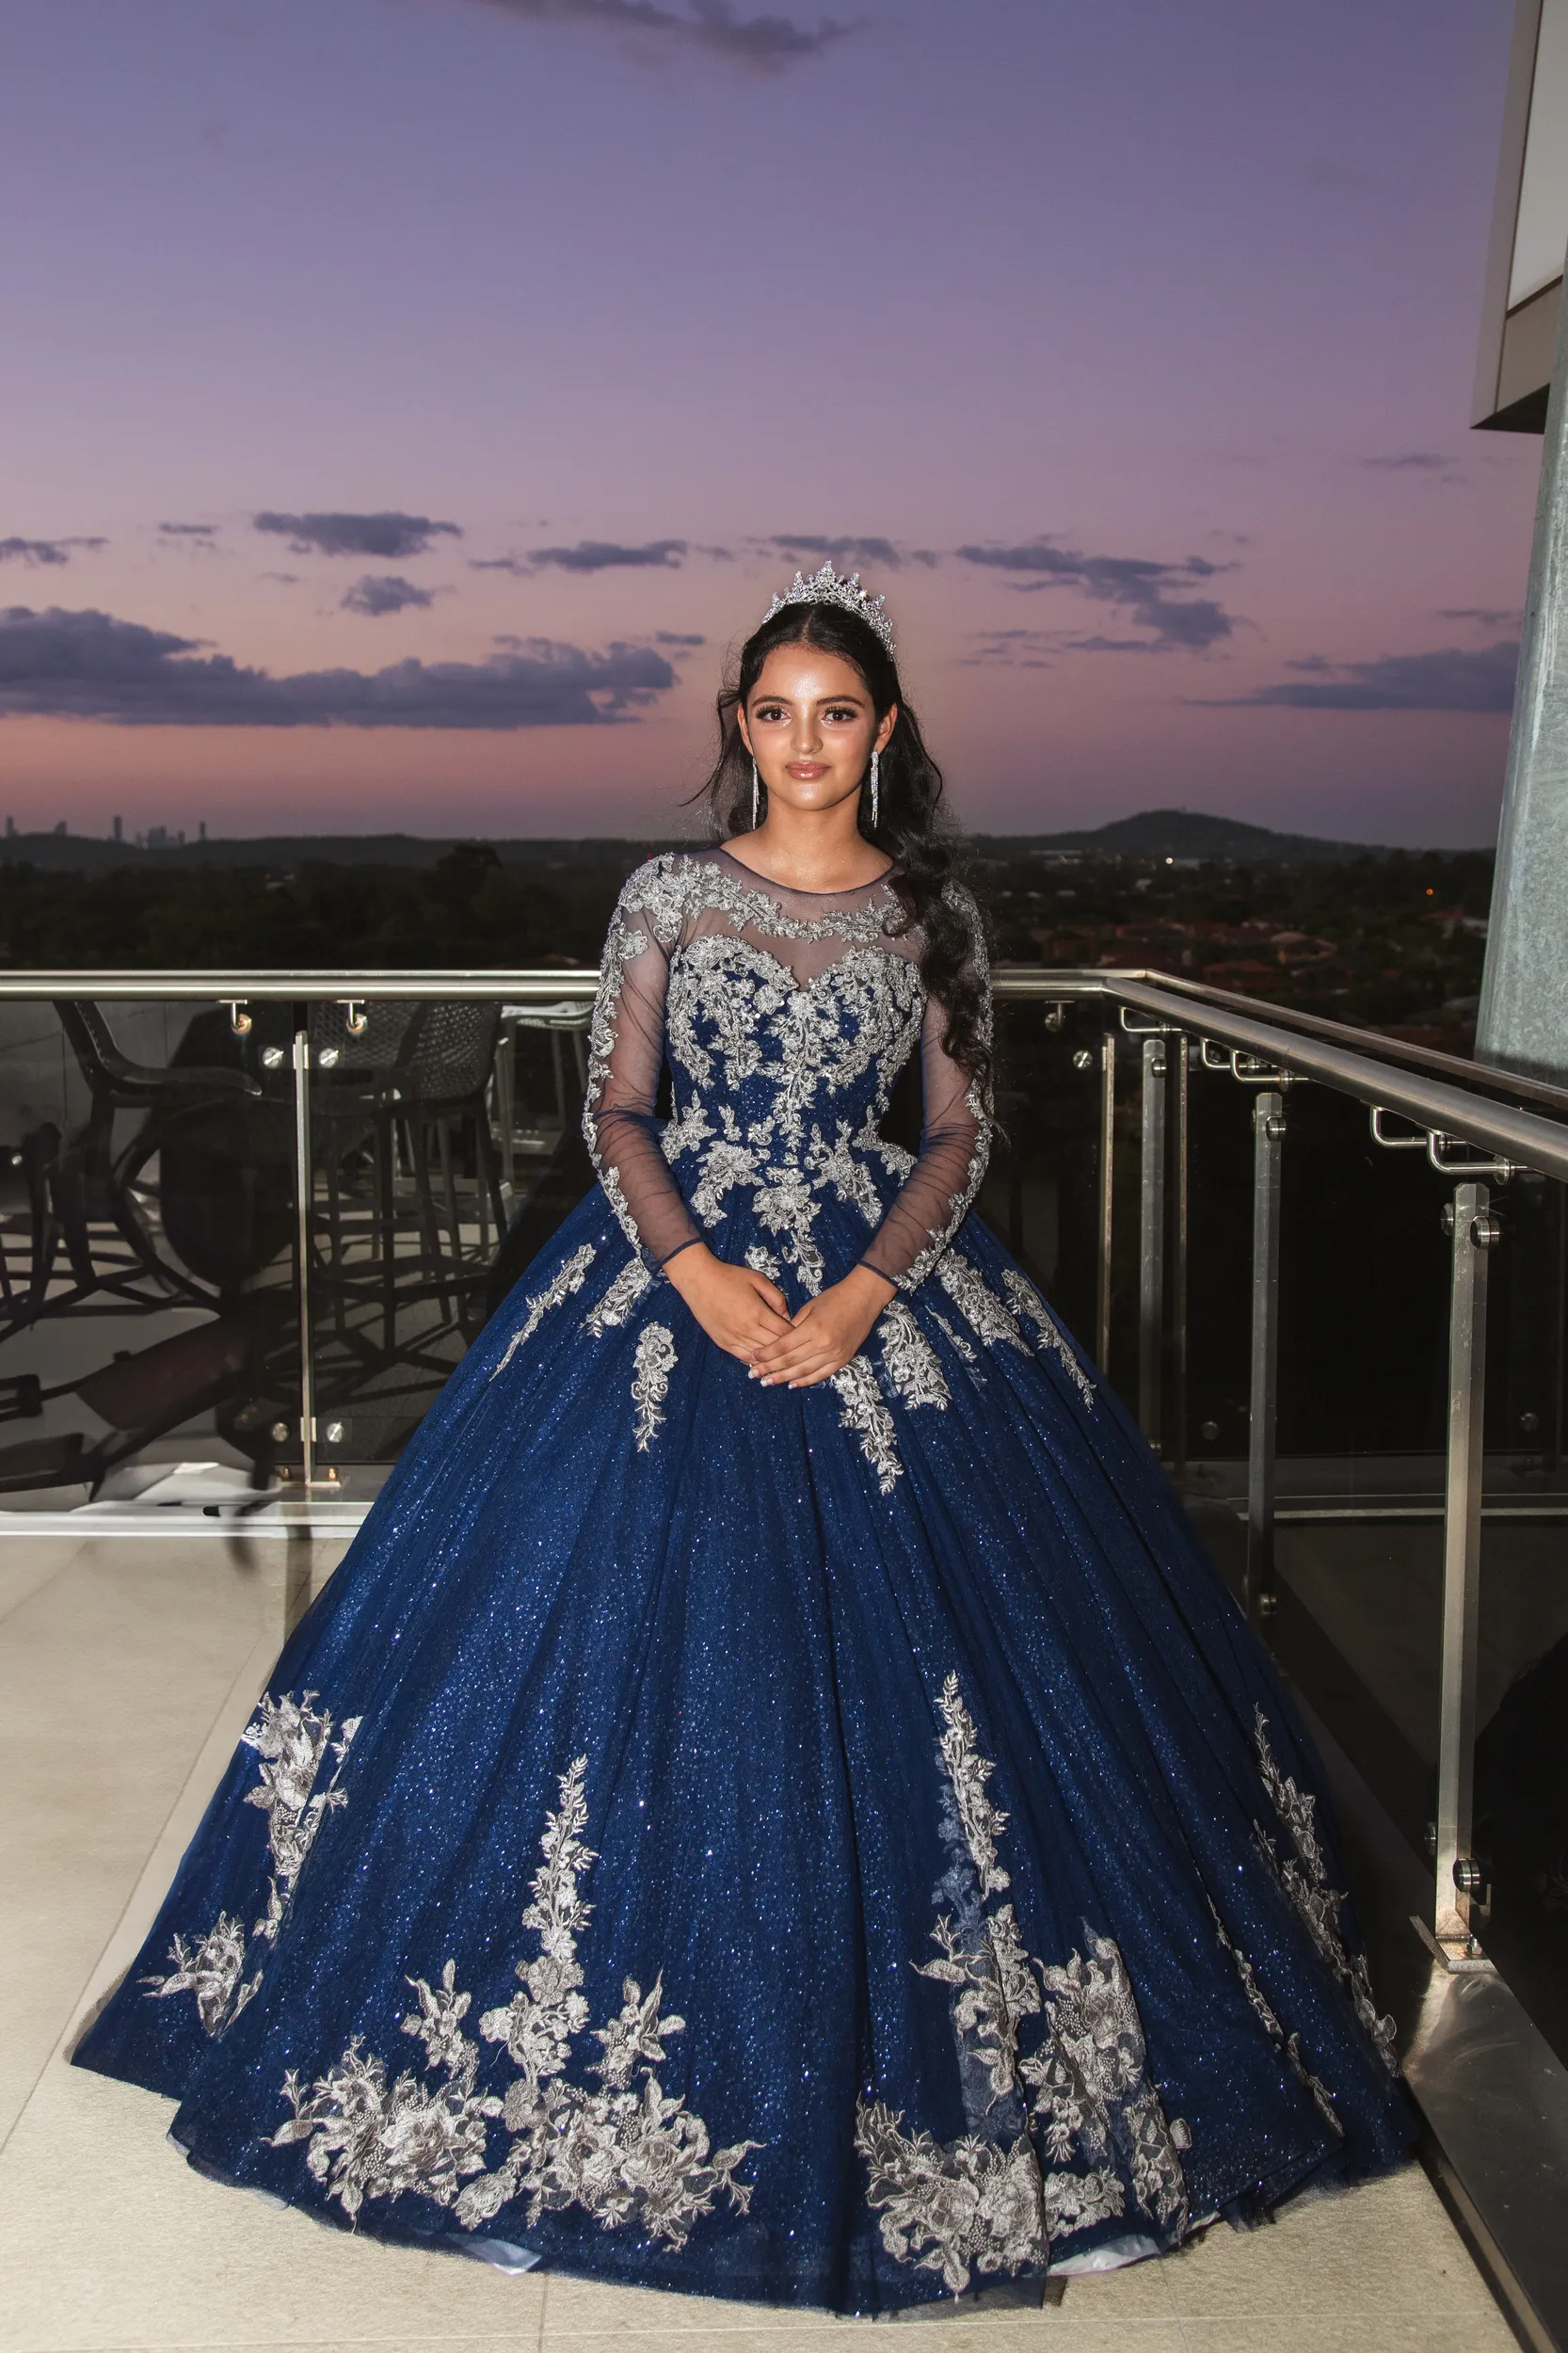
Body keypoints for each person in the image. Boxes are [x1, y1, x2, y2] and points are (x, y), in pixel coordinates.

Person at [74, 567, 1415, 2315]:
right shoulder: (667, 896)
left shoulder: (929, 911)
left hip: (886, 1294)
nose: (802, 742)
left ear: (884, 731)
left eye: (835, 713)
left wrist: (862, 1295)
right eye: (772, 713)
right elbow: (612, 1106)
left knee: (985, 1678)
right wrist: (696, 1270)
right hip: (665, 1277)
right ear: (737, 728)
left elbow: (954, 1130)